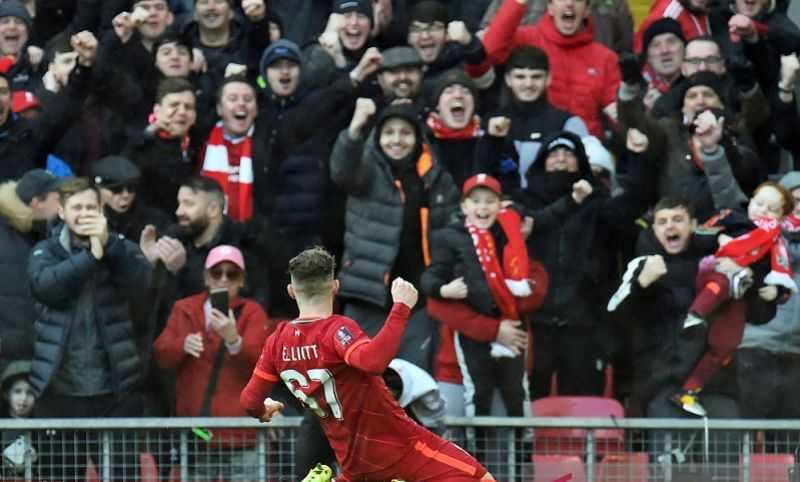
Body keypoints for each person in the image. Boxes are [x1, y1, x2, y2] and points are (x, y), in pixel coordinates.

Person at [240, 247, 495, 482]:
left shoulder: (277, 341)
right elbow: (373, 361)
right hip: (401, 450)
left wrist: (263, 410)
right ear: (336, 286)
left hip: (355, 465)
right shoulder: (336, 329)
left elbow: (249, 402)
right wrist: (401, 308)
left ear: (291, 291)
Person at [28, 177, 151, 480]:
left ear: (102, 211)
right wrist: (90, 257)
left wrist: (109, 248)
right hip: (59, 392)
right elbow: (46, 287)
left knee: (122, 475)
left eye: (91, 207)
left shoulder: (121, 247)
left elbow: (143, 284)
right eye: (77, 207)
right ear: (62, 212)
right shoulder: (45, 251)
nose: (84, 213)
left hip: (113, 392)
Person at [673, 181, 797, 416]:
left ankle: (688, 392)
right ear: (750, 200)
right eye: (759, 203)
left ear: (781, 217)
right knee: (724, 277)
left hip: (739, 295)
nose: (763, 211)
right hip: (710, 275)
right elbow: (699, 235)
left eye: (772, 209)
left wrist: (775, 292)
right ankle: (694, 316)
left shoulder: (776, 244)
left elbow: (778, 277)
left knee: (726, 345)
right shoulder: (732, 217)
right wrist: (719, 239)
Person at [154, 245, 273, 481]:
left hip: (242, 432)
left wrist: (234, 341)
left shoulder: (252, 312)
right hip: (199, 433)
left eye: (232, 274)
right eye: (217, 272)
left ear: (242, 281)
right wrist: (181, 345)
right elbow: (160, 354)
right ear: (206, 277)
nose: (224, 279)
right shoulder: (185, 309)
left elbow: (264, 363)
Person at [477, 0, 621, 137]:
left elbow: (616, 114)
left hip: (585, 146)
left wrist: (622, 116)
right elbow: (490, 50)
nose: (569, 4)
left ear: (587, 10)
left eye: (577, 0)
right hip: (533, 140)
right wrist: (517, 2)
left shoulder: (605, 58)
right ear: (550, 8)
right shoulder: (527, 39)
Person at [0, 169, 60, 370]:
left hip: (38, 353)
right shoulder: (17, 237)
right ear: (37, 203)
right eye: (59, 199)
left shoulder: (46, 234)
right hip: (12, 355)